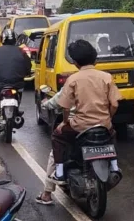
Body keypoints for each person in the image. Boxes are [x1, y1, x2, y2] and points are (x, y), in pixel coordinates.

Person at [50, 39, 122, 184]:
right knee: (111, 134)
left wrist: (64, 123)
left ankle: (59, 172)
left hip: (80, 127)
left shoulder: (73, 79)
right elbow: (114, 104)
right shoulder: (106, 77)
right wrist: (108, 118)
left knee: (57, 136)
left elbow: (65, 107)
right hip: (103, 125)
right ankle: (114, 166)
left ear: (75, 62)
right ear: (94, 58)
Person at [35, 87, 75, 206]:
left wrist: (45, 103)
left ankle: (47, 194)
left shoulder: (73, 82)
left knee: (56, 151)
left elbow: (61, 104)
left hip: (76, 125)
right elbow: (114, 103)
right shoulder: (105, 79)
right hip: (100, 124)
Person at [0, 28, 31, 120]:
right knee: (19, 91)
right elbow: (28, 66)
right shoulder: (22, 51)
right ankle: (17, 109)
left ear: (3, 39)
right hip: (17, 84)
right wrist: (26, 73)